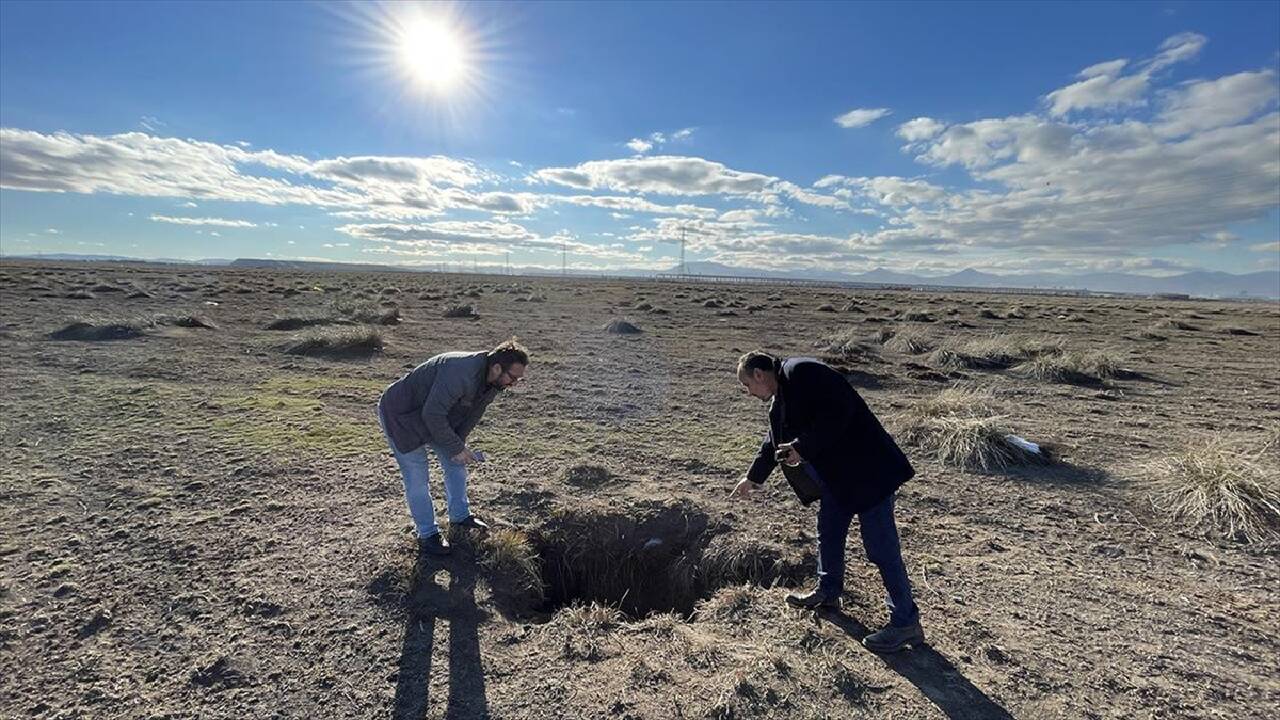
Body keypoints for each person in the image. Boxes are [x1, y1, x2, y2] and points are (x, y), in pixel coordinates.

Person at [732, 351, 924, 652]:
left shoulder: (802, 372)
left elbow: (840, 411)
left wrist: (802, 446)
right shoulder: (781, 395)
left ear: (759, 374)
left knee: (881, 548)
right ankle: (828, 591)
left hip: (869, 472)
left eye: (746, 385)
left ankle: (905, 622)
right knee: (829, 533)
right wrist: (753, 477)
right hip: (839, 479)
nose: (748, 392)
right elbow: (774, 442)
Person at [377, 338, 528, 556]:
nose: (513, 384)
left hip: (435, 417)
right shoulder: (460, 373)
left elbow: (473, 414)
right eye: (513, 378)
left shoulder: (494, 383)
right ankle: (428, 535)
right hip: (401, 415)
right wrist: (456, 448)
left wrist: (459, 445)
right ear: (497, 367)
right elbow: (432, 414)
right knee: (417, 476)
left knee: (456, 464)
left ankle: (460, 517)